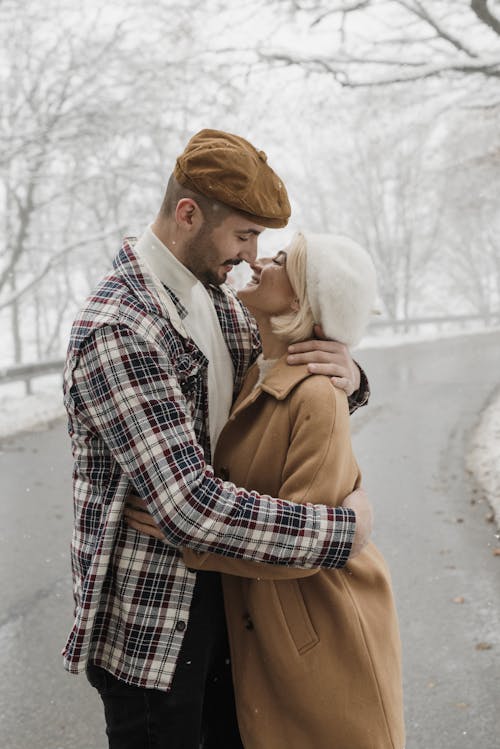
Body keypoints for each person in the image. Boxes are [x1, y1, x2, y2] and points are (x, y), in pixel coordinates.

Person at [62, 129, 373, 749]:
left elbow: (276, 390)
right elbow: (190, 508)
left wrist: (351, 376)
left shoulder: (216, 300)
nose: (253, 255)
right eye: (244, 235)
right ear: (188, 215)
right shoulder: (120, 326)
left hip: (231, 601)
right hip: (153, 632)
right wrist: (343, 532)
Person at [128, 232, 405, 748]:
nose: (258, 260)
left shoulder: (317, 393)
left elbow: (304, 545)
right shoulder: (254, 364)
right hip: (261, 620)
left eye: (280, 261)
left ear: (302, 302)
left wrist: (187, 534)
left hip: (317, 623)